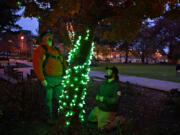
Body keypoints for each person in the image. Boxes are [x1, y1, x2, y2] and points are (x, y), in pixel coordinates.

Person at [32, 29, 67, 124]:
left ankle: (59, 116)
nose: (49, 36)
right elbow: (37, 65)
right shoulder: (40, 49)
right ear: (42, 37)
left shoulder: (57, 50)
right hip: (48, 79)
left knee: (59, 99)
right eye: (47, 35)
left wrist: (65, 75)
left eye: (50, 34)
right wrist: (42, 79)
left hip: (59, 79)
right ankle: (48, 118)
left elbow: (63, 63)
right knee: (48, 101)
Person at [88, 66, 121, 131]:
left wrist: (103, 99)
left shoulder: (116, 86)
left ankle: (118, 119)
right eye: (107, 71)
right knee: (90, 119)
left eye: (109, 72)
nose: (106, 73)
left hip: (108, 109)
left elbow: (115, 100)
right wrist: (97, 96)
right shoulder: (104, 83)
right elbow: (98, 92)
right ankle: (102, 118)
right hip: (99, 107)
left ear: (113, 74)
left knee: (103, 128)